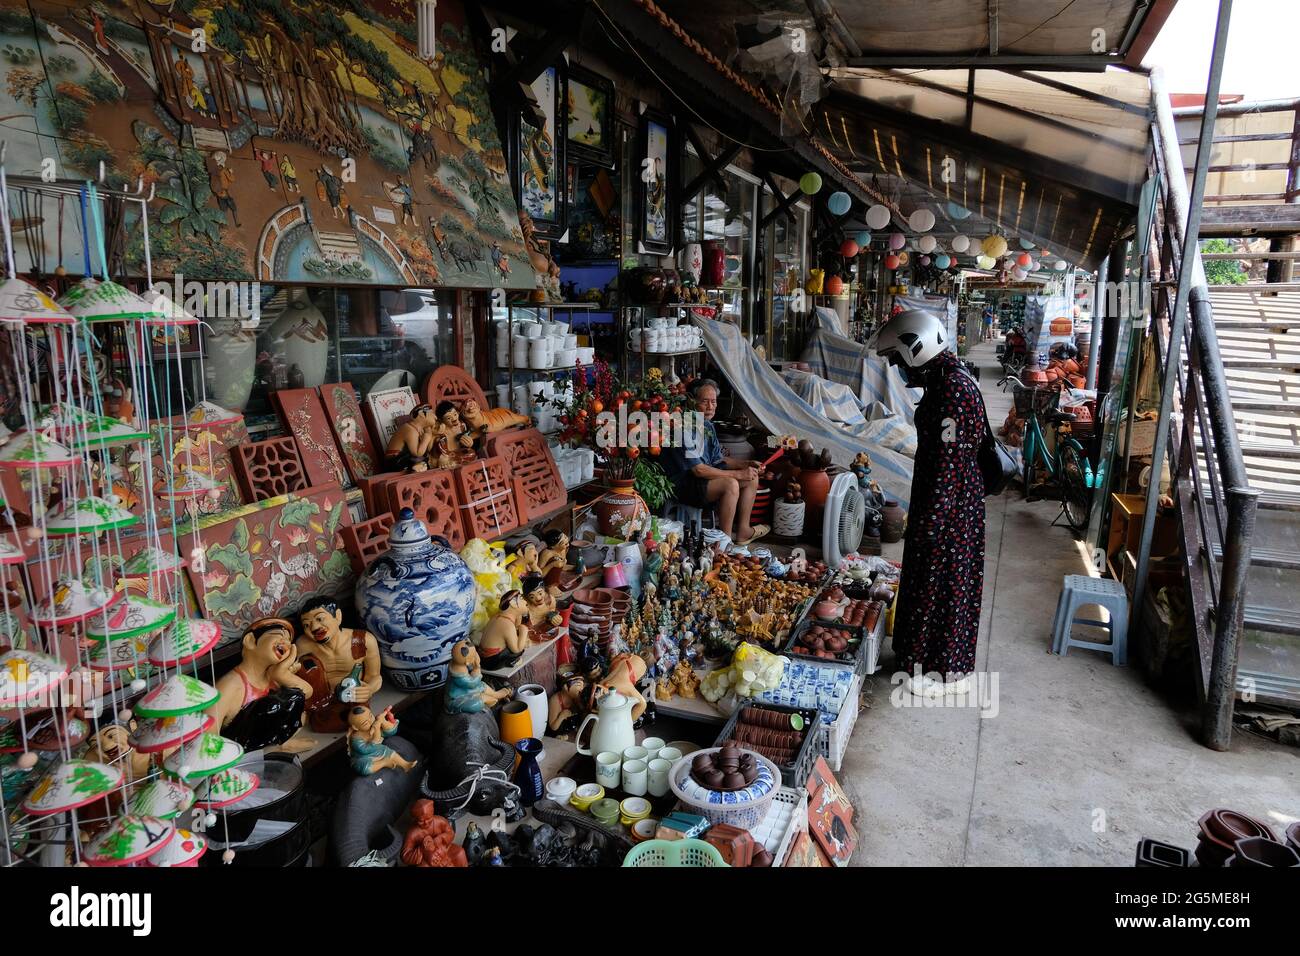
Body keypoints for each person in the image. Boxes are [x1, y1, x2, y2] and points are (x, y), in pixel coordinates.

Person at [875, 309, 986, 698]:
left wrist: (932, 521)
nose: (896, 368)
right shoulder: (944, 383)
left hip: (950, 505)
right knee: (930, 582)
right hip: (945, 500)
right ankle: (920, 659)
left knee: (945, 585)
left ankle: (943, 669)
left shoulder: (953, 392)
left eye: (896, 359)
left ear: (916, 350)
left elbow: (949, 460)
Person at [661, 379, 768, 546]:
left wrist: (746, 464)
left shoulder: (707, 425)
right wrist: (738, 473)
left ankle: (743, 530)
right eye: (705, 401)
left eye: (714, 402)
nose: (710, 406)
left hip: (703, 480)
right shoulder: (682, 426)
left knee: (751, 477)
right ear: (691, 401)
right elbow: (699, 470)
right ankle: (724, 542)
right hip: (683, 485)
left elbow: (718, 459)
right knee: (730, 484)